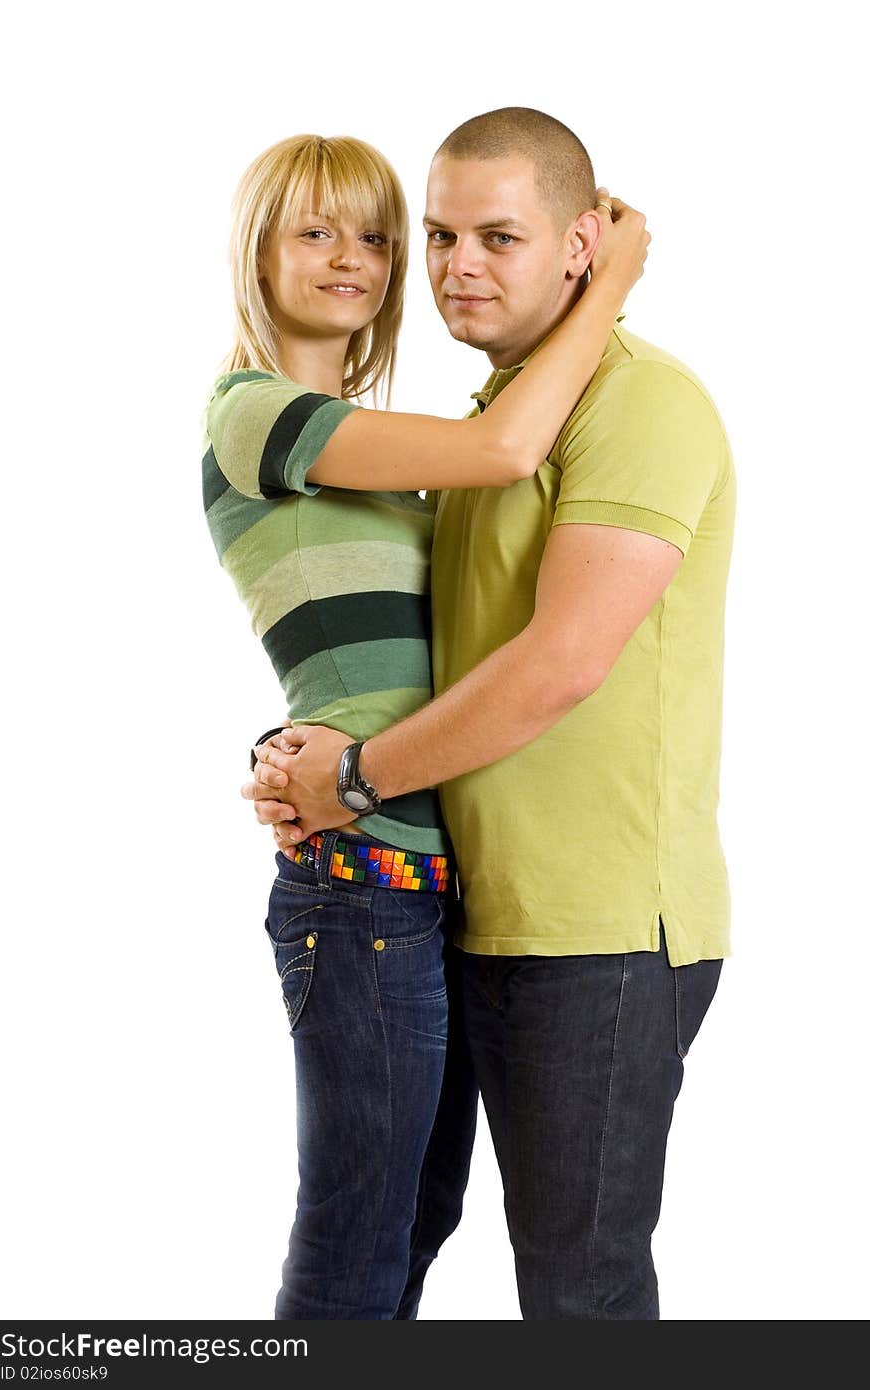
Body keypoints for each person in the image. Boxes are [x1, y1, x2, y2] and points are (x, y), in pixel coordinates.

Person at [247, 107, 735, 1321]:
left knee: (580, 1293)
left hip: (600, 926)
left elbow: (561, 661)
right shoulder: (479, 430)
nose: (459, 263)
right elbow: (408, 646)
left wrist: (349, 777)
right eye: (446, 233)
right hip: (466, 901)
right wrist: (299, 738)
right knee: (394, 1236)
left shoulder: (640, 403)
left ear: (579, 244)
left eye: (500, 237)